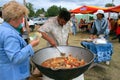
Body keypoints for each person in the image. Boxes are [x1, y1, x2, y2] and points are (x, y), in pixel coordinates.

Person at [0, 1, 40, 80]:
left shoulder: (3, 28)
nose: (22, 21)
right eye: (21, 18)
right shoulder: (9, 34)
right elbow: (16, 58)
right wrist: (31, 45)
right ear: (13, 19)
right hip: (13, 75)